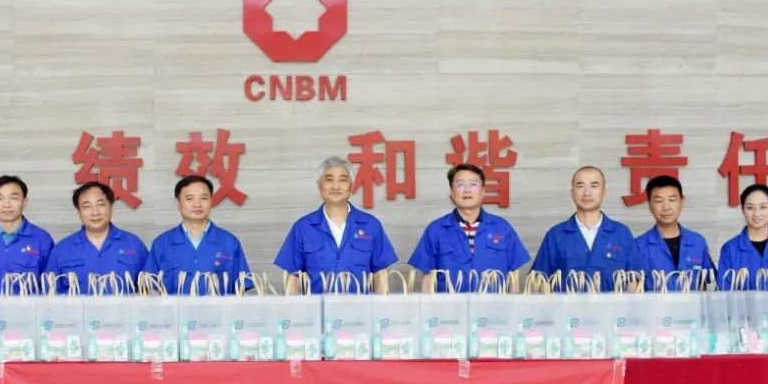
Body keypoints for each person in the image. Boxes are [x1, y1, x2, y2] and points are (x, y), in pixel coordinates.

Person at [274, 156, 398, 294]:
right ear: (319, 185)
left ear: (351, 185)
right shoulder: (303, 227)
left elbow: (380, 274)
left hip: (361, 307)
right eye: (329, 179)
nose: (336, 186)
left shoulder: (371, 225)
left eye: (342, 180)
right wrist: (292, 307)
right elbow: (293, 277)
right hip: (317, 308)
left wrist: (381, 306)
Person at [408, 164, 529, 293]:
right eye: (460, 185)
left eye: (474, 185)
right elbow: (428, 276)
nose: (467, 190)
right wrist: (428, 305)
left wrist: (514, 305)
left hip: (495, 305)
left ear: (483, 191)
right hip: (450, 305)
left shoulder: (502, 228)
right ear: (452, 193)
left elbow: (513, 274)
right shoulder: (435, 230)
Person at [531, 166, 644, 292]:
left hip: (613, 306)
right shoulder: (555, 235)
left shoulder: (621, 233)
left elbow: (633, 281)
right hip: (566, 306)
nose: (587, 193)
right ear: (572, 193)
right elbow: (541, 280)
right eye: (580, 186)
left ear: (604, 193)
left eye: (594, 186)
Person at [142, 175, 252, 295]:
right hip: (174, 308)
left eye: (203, 198)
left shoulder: (229, 242)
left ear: (211, 201)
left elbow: (241, 290)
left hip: (219, 308)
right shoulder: (161, 243)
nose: (197, 204)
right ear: (178, 203)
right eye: (189, 199)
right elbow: (150, 288)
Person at [45, 181, 148, 294]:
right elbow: (50, 296)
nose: (95, 212)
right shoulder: (62, 250)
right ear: (79, 212)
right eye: (87, 206)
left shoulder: (133, 244)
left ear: (111, 206)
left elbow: (149, 290)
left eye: (101, 204)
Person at [636, 175, 715, 291]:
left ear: (681, 202)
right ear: (650, 206)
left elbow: (709, 283)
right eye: (658, 201)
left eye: (672, 200)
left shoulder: (698, 242)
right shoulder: (638, 246)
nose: (666, 207)